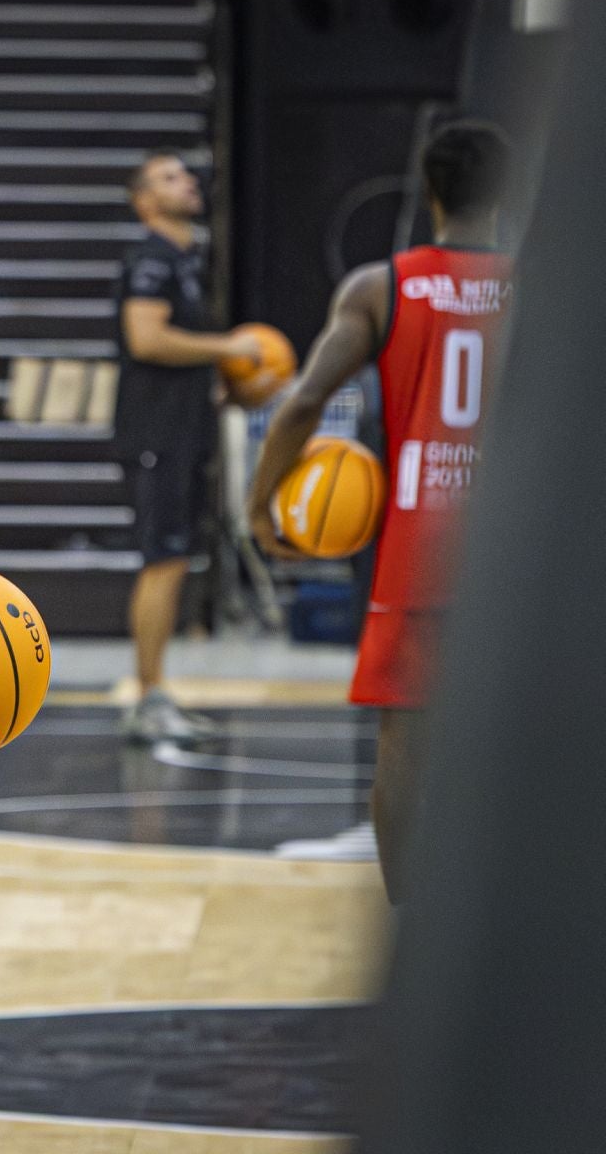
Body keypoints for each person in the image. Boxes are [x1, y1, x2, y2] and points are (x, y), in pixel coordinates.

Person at [247, 121, 512, 903]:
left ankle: (409, 929)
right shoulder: (545, 282)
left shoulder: (381, 287)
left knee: (401, 756)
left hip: (419, 543)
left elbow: (303, 405)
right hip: (515, 542)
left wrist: (262, 504)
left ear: (428, 192)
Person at [113, 151, 262, 744]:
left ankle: (156, 692)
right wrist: (225, 350)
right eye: (169, 178)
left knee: (173, 561)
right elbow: (145, 338)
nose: (189, 183)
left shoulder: (184, 260)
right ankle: (148, 696)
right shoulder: (151, 258)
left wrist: (221, 377)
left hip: (181, 429)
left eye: (187, 174)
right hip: (154, 433)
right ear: (145, 202)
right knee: (162, 560)